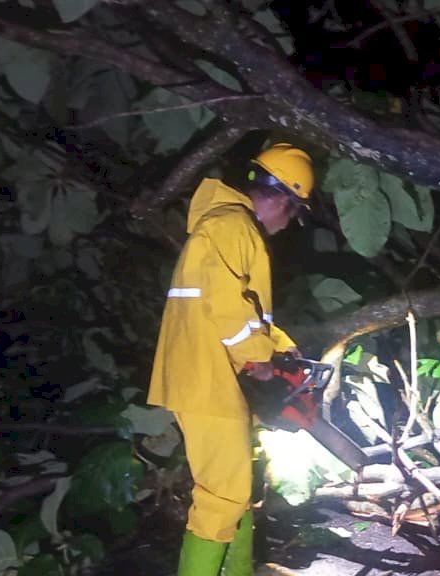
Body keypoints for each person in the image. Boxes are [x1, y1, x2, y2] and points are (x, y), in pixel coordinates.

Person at [147, 142, 314, 576]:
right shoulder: (231, 225)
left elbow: (245, 308)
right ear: (283, 200)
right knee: (223, 494)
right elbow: (225, 306)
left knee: (238, 489)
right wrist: (260, 360)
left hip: (213, 375)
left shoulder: (230, 227)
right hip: (206, 377)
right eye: (294, 213)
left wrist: (280, 347)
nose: (289, 224)